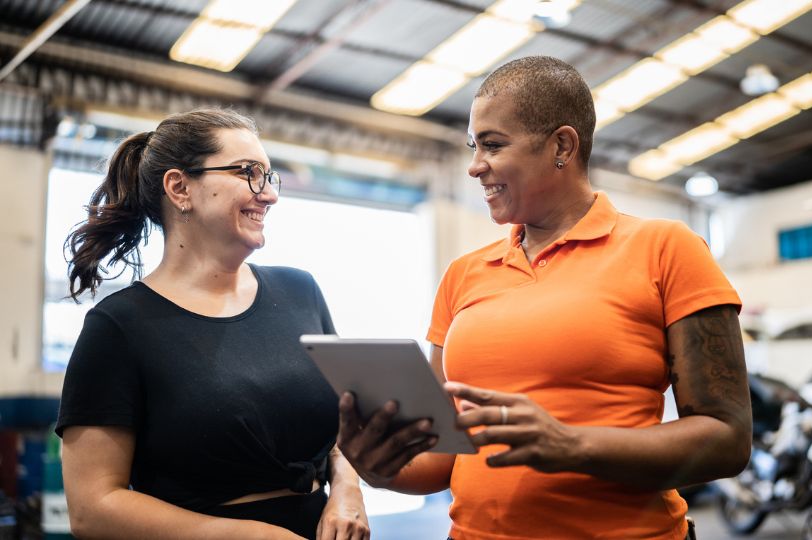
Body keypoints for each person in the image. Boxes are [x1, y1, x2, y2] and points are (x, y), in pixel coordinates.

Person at [337, 57, 751, 539]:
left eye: (492, 145)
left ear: (562, 145)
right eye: (474, 146)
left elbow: (728, 438)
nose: (474, 166)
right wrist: (376, 467)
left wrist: (572, 445)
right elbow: (442, 458)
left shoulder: (666, 247)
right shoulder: (463, 274)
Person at [57, 108, 369, 540]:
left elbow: (344, 428)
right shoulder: (119, 326)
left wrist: (348, 490)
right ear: (180, 187)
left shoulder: (300, 292)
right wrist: (248, 535)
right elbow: (93, 508)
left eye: (268, 176)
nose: (270, 194)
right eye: (248, 173)